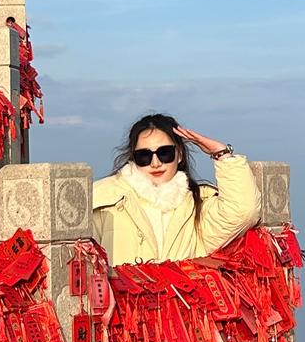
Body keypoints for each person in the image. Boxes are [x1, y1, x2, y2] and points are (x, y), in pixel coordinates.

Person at [92, 113, 261, 267]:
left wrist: (221, 154)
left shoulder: (197, 205)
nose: (155, 163)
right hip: (121, 299)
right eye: (144, 155)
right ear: (133, 158)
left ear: (179, 154)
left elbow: (244, 211)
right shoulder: (102, 198)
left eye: (165, 153)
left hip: (183, 299)